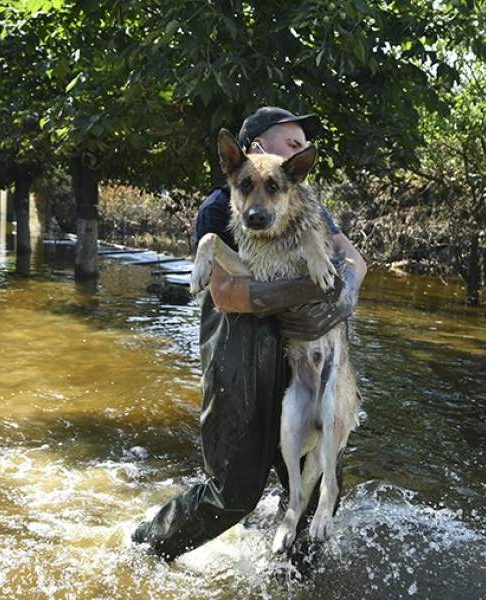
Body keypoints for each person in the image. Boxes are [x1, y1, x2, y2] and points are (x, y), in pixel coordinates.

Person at [132, 107, 367, 562]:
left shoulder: (306, 205)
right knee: (235, 490)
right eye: (291, 143)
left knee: (320, 477)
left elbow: (353, 259)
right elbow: (227, 295)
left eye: (302, 149)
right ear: (257, 148)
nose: (298, 153)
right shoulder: (221, 207)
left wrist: (347, 292)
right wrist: (306, 289)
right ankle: (146, 546)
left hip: (300, 350)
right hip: (239, 354)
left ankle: (293, 580)